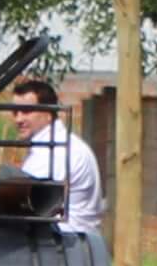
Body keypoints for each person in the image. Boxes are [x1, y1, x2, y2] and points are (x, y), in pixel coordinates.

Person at [6, 83, 105, 240]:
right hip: (68, 241)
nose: (18, 119)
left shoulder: (56, 151)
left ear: (48, 113)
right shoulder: (57, 144)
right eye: (15, 112)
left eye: (26, 111)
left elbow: (27, 206)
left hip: (66, 244)